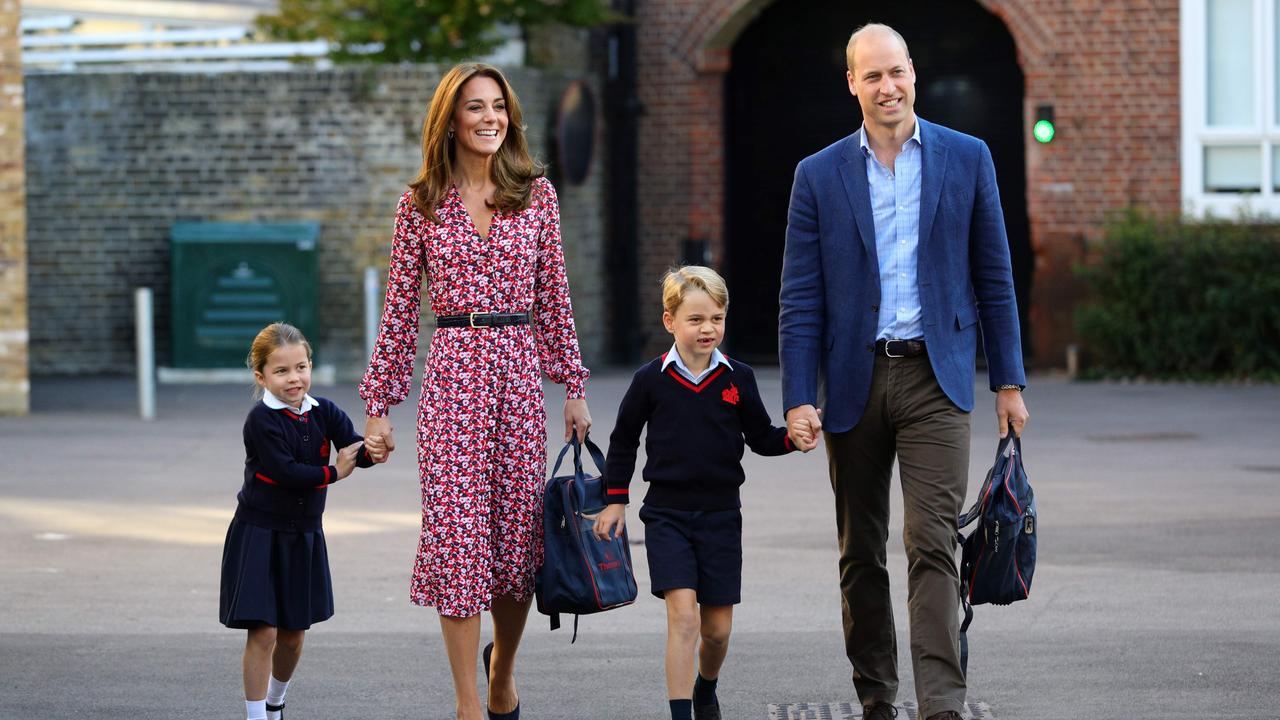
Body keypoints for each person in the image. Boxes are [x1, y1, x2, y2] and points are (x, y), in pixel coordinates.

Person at [777, 23, 1031, 720]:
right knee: (860, 549)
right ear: (852, 84)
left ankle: (941, 702)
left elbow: (994, 276)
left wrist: (1007, 382)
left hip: (936, 379)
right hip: (853, 379)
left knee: (932, 542)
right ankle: (877, 695)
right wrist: (800, 397)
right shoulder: (818, 174)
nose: (888, 87)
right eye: (873, 76)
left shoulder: (966, 157)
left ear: (913, 73)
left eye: (897, 72)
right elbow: (800, 298)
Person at [358, 62, 592, 720]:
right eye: (475, 108)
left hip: (518, 377)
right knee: (458, 541)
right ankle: (468, 705)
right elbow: (401, 313)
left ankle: (502, 674)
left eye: (498, 106)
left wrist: (571, 384)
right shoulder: (421, 204)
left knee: (517, 544)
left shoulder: (536, 195)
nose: (490, 117)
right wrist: (379, 406)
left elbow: (556, 301)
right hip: (453, 376)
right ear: (450, 121)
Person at [594, 266, 803, 720]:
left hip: (722, 516)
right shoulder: (650, 379)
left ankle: (706, 687)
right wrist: (615, 500)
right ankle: (682, 712)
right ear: (670, 321)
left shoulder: (738, 378)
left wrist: (792, 439)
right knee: (684, 618)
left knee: (717, 631)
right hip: (666, 515)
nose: (708, 328)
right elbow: (623, 439)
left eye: (716, 318)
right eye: (695, 319)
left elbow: (762, 437)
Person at [219, 322, 381, 720]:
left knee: (292, 636)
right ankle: (257, 717)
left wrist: (374, 449)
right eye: (281, 371)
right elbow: (286, 472)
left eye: (301, 367)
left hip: (304, 535)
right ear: (261, 376)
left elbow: (353, 446)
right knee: (264, 631)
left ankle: (276, 703)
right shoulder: (261, 421)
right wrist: (335, 473)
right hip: (259, 532)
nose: (294, 378)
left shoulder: (323, 411)